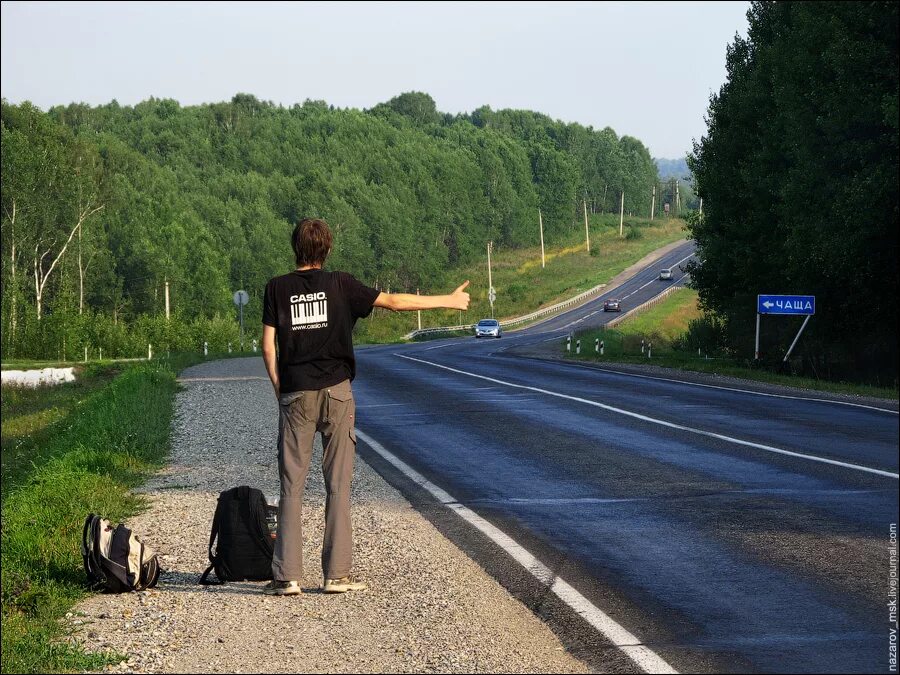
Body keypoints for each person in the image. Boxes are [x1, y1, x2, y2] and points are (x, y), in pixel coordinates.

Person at [260, 217, 470, 596]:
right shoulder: (342, 284)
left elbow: (267, 345)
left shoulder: (277, 288)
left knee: (292, 483)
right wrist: (448, 301)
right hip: (338, 393)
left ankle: (287, 576)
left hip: (296, 394)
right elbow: (393, 302)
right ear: (326, 249)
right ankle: (335, 575)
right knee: (337, 484)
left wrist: (280, 388)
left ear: (295, 247)